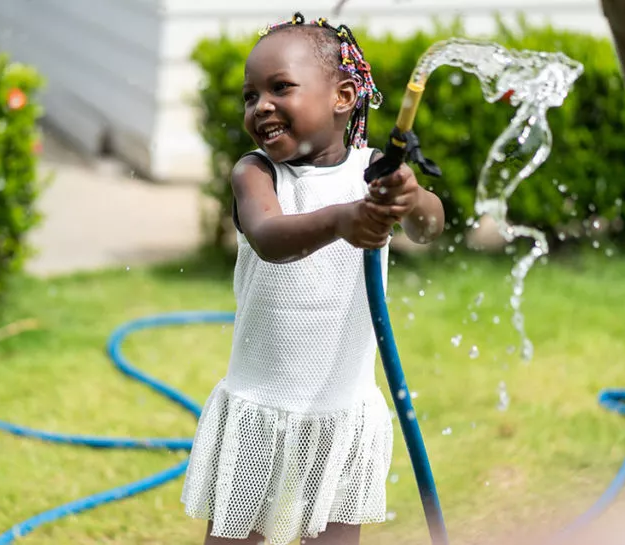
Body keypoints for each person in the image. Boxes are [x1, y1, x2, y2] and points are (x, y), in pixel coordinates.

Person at [180, 12, 446, 545]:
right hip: (262, 408)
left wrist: (412, 197)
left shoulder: (374, 172)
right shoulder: (255, 173)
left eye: (280, 88)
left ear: (344, 96)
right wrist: (343, 220)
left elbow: (429, 226)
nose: (261, 107)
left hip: (342, 410)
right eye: (250, 96)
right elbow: (270, 237)